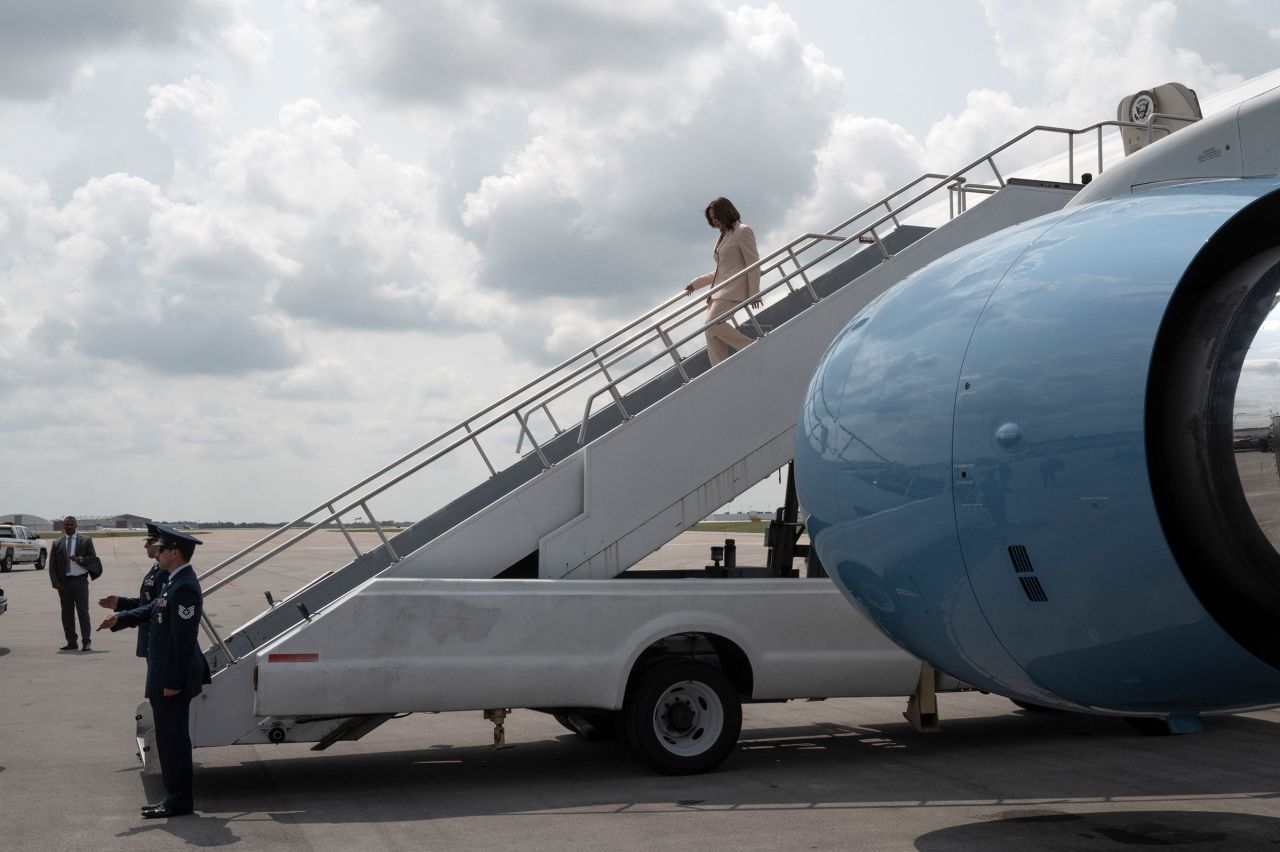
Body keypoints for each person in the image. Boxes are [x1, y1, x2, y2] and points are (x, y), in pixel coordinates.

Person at [98, 525, 210, 819]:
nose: (156, 553)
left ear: (175, 553)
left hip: (171, 679)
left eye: (161, 549)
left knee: (174, 740)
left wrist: (172, 682)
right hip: (162, 675)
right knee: (168, 739)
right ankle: (174, 796)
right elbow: (151, 610)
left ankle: (178, 800)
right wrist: (120, 617)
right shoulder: (173, 582)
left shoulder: (184, 586)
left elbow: (183, 641)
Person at [683, 196, 763, 365]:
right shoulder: (723, 236)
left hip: (734, 288)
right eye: (712, 219)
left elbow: (754, 264)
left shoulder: (743, 231)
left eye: (716, 217)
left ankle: (750, 347)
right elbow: (721, 270)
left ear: (725, 213)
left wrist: (755, 293)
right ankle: (720, 367)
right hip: (719, 290)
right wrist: (696, 283)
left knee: (711, 324)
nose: (714, 222)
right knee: (710, 331)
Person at [98, 523, 166, 657]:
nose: (145, 545)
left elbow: (156, 607)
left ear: (159, 544)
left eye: (149, 541)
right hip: (150, 638)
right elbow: (147, 603)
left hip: (157, 639)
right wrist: (120, 603)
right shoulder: (157, 568)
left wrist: (121, 617)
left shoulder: (165, 572)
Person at [50, 515, 98, 652]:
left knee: (83, 612)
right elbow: (52, 565)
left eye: (72, 524)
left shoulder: (86, 541)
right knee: (66, 614)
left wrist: (79, 559)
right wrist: (55, 582)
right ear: (63, 526)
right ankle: (71, 641)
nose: (69, 527)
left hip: (80, 581)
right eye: (67, 525)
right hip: (64, 584)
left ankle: (86, 641)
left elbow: (93, 559)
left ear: (76, 525)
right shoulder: (57, 542)